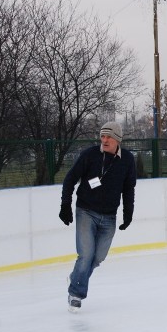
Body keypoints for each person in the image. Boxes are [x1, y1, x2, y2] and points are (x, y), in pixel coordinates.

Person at [59, 121, 136, 312]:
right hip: (86, 211)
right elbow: (70, 179)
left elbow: (128, 189)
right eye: (102, 136)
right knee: (86, 255)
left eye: (108, 136)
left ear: (117, 139)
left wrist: (128, 214)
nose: (104, 140)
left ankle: (77, 275)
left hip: (109, 217)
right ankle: (76, 294)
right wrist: (65, 205)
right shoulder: (90, 155)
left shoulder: (127, 160)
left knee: (98, 257)